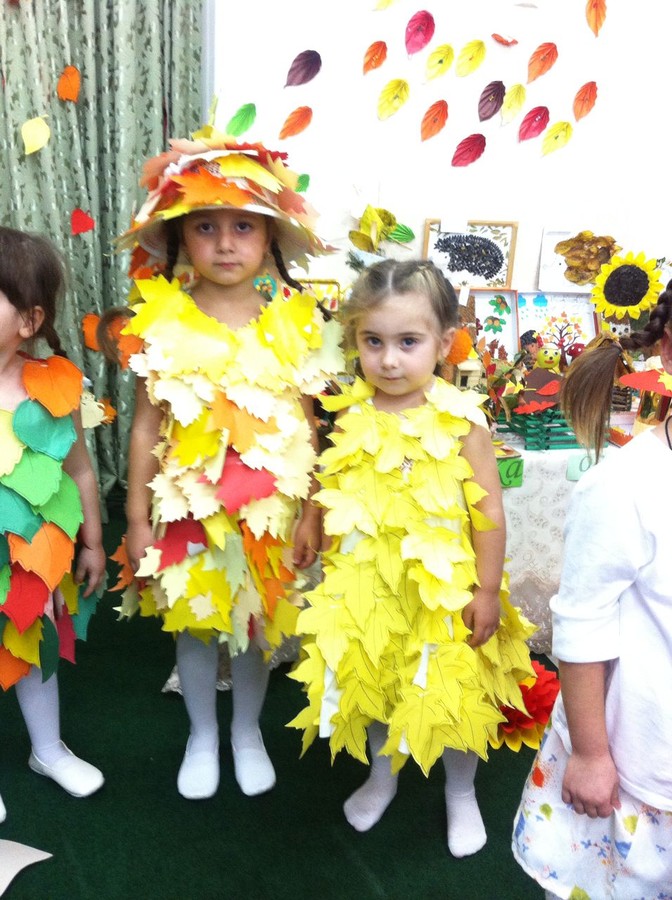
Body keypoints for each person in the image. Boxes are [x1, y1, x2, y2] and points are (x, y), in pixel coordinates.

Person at [111, 127, 343, 801]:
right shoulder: (160, 321)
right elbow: (145, 426)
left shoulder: (298, 322)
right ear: (181, 238)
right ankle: (201, 734)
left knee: (254, 626)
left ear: (270, 238)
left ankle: (245, 732)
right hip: (186, 509)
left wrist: (311, 512)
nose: (225, 243)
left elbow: (310, 425)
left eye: (243, 226)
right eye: (205, 226)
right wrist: (136, 519)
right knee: (194, 624)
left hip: (270, 513)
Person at [289, 259, 536, 857]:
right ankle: (383, 775)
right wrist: (310, 518)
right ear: (354, 340)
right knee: (376, 683)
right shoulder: (349, 412)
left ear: (444, 343)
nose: (389, 360)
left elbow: (489, 512)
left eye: (408, 342)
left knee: (451, 694)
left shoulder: (462, 422)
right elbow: (326, 475)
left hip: (444, 593)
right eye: (373, 342)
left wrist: (485, 591)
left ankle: (460, 791)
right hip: (368, 585)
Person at [512, 285, 672, 897]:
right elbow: (583, 621)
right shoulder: (626, 486)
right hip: (637, 753)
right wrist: (589, 753)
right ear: (668, 351)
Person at [0, 226, 106, 823]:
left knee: (33, 648)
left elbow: (81, 470)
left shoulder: (53, 388)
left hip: (33, 562)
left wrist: (93, 542)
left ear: (29, 320)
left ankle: (48, 749)